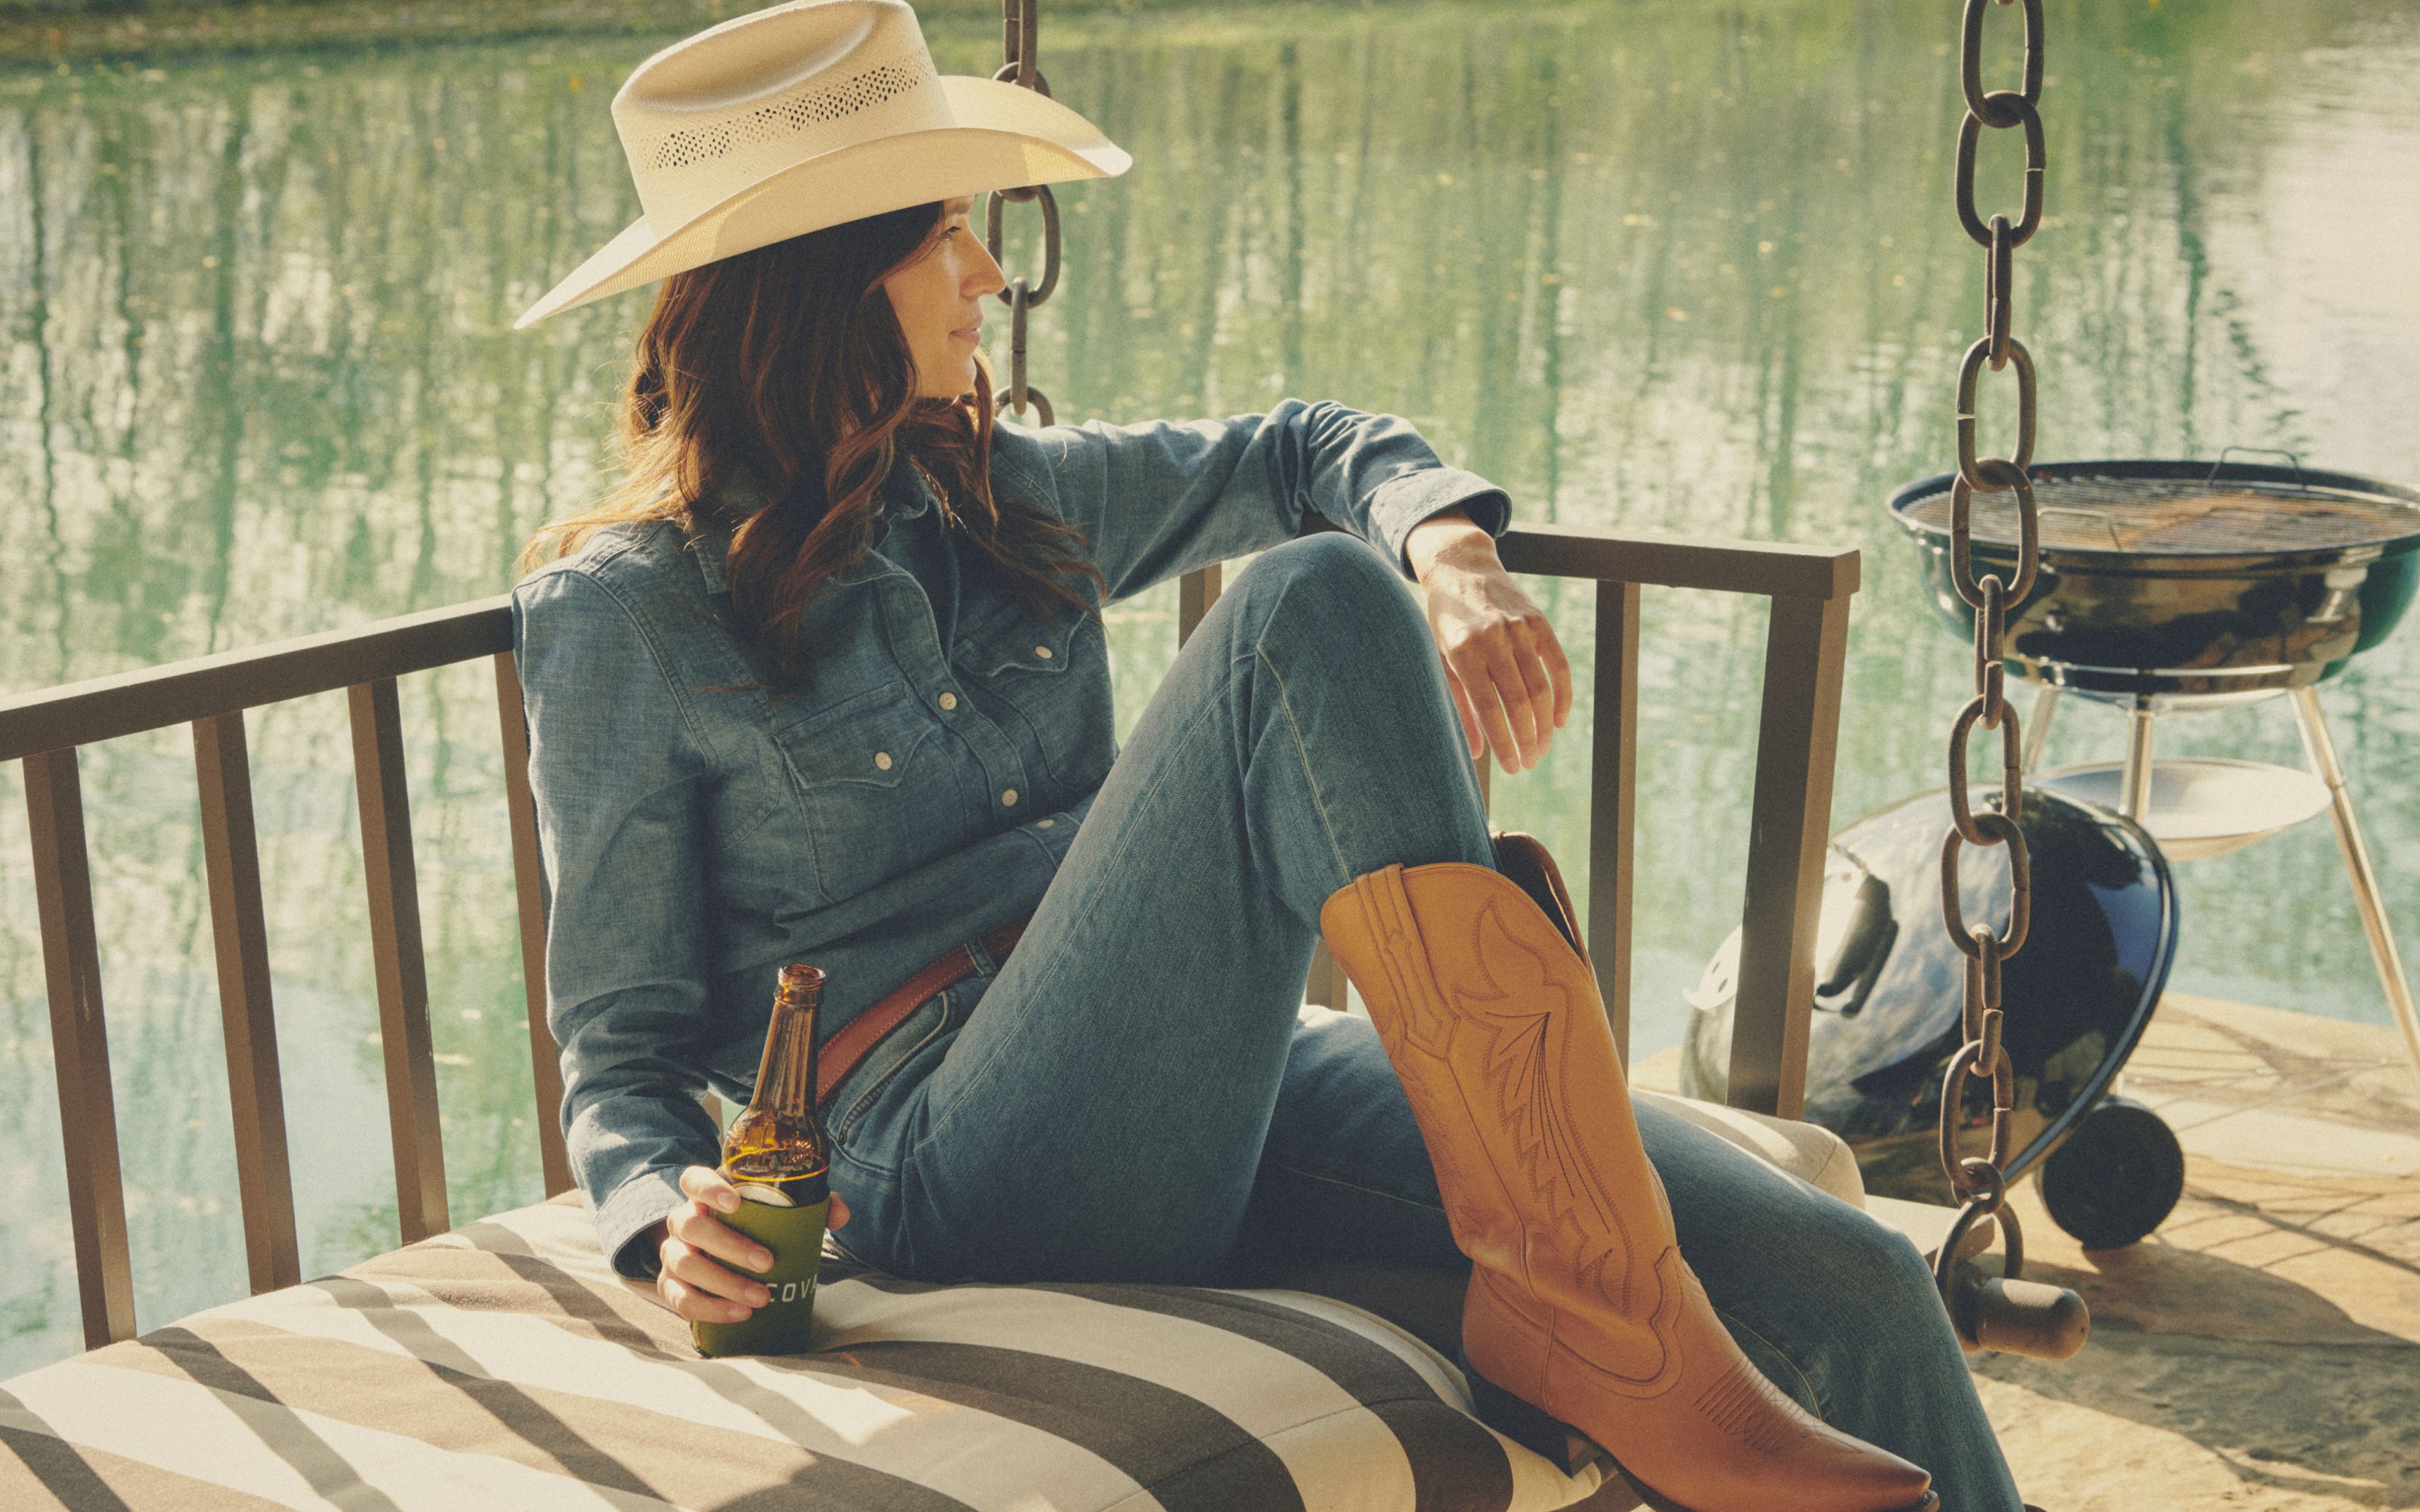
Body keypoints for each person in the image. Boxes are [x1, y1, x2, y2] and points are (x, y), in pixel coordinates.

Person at [510, 3, 2027, 1508]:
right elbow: (622, 1037)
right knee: (1302, 602)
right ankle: (1590, 1300)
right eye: (945, 235)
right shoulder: (629, 610)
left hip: (1207, 1065)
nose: (983, 273)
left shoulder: (989, 492)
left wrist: (1450, 545)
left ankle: (1585, 1281)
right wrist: (662, 1214)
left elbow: (1303, 444)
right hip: (943, 1151)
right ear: (825, 282)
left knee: (1843, 1275)